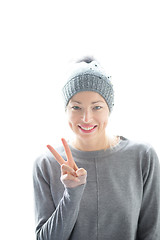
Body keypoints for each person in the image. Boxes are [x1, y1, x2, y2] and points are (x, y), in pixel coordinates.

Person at [33, 56, 160, 240]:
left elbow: (151, 233)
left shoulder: (142, 156)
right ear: (66, 110)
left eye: (97, 107)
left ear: (109, 108)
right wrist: (72, 193)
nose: (86, 118)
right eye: (76, 107)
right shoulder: (46, 164)